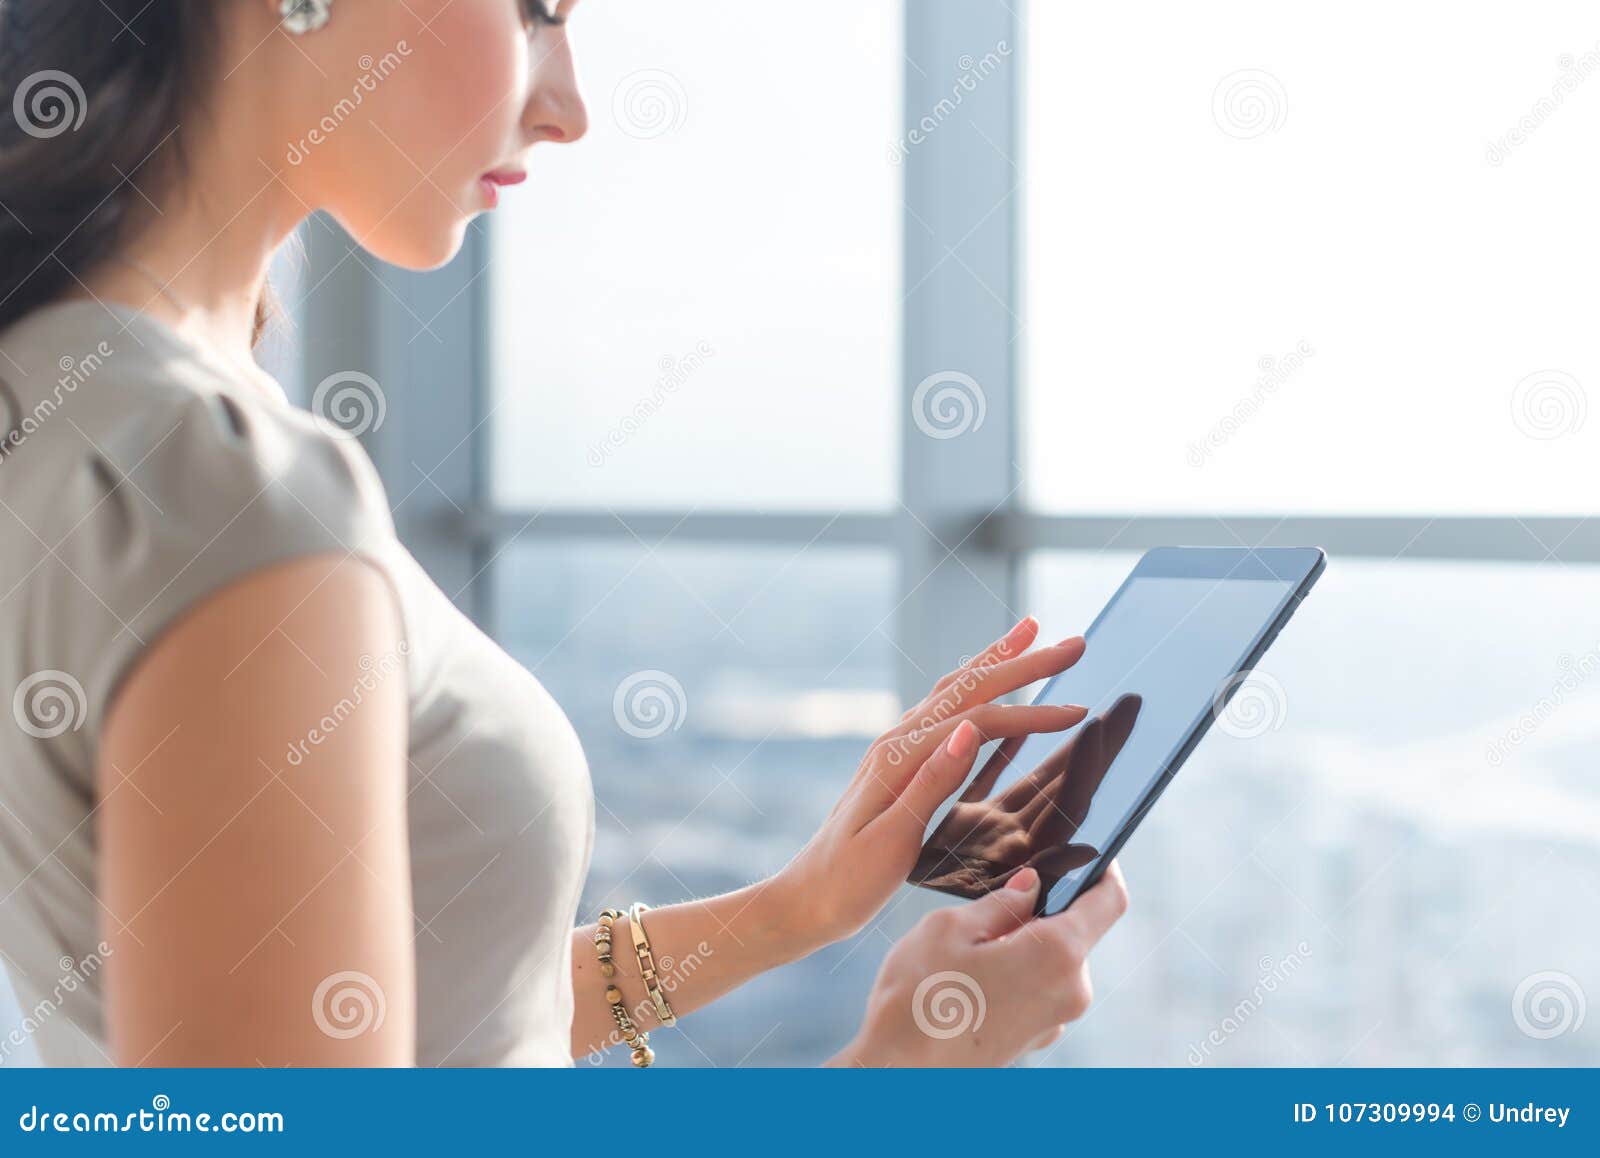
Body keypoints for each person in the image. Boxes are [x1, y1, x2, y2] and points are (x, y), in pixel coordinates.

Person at [0, 0, 1128, 1067]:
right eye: (536, 10)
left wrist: (798, 908)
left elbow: (416, 1019)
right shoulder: (227, 487)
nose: (570, 107)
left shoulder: (72, 406)